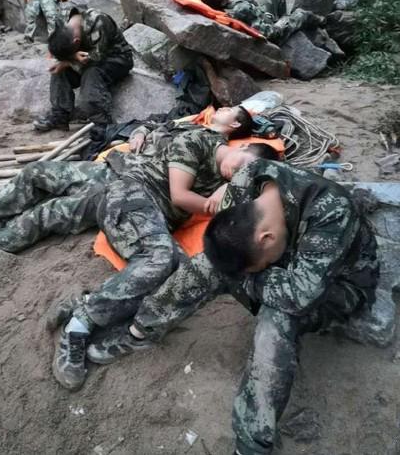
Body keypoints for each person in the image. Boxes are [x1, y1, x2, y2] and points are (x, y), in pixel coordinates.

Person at [71, 160, 380, 454]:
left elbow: (300, 295)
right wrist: (238, 273)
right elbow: (225, 241)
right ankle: (141, 331)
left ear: (267, 238)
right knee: (207, 264)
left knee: (278, 316)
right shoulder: (248, 178)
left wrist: (243, 280)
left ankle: (251, 443)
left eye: (258, 267)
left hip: (338, 285)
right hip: (286, 259)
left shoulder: (331, 212)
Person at [50, 109, 281, 390]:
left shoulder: (230, 180)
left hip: (156, 216)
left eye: (244, 174)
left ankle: (85, 303)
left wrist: (231, 187)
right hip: (134, 191)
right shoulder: (199, 138)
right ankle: (77, 327)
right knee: (160, 259)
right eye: (241, 166)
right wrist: (211, 203)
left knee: (180, 279)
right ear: (241, 146)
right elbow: (180, 196)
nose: (237, 173)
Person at [0, 106, 256, 274]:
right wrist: (140, 132)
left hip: (131, 191)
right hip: (118, 166)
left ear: (235, 124)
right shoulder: (191, 125)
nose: (222, 107)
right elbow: (151, 125)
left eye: (229, 109)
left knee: (48, 213)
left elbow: (208, 197)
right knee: (35, 172)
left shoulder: (223, 159)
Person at [33, 8, 133, 132]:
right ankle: (60, 115)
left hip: (116, 59)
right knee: (59, 70)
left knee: (91, 72)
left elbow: (96, 57)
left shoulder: (98, 21)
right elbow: (57, 45)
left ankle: (102, 123)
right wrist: (64, 61)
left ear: (77, 42)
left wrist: (69, 61)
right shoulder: (63, 21)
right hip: (85, 58)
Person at [200, 0, 323, 45]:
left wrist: (264, 14)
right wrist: (279, 25)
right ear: (222, 2)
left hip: (261, 13)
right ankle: (323, 22)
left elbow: (254, 4)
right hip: (272, 29)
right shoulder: (239, 10)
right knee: (302, 14)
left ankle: (284, 17)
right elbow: (267, 33)